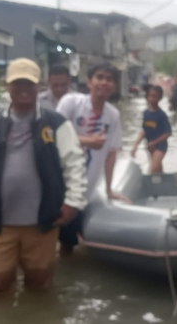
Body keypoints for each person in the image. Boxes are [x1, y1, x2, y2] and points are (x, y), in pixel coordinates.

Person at [0, 58, 87, 294]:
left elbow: (74, 164)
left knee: (40, 283)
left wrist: (72, 202)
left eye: (29, 84)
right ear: (7, 85)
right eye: (18, 84)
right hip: (0, 223)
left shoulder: (56, 123)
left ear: (39, 86)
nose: (24, 89)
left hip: (43, 222)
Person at [56, 62, 130, 255]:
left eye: (109, 79)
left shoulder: (112, 115)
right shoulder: (70, 103)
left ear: (114, 86)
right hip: (60, 180)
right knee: (52, 236)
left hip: (85, 187)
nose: (104, 83)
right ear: (89, 82)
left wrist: (109, 189)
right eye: (99, 77)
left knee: (69, 242)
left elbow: (112, 153)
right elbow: (52, 135)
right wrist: (86, 141)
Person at [130, 85, 172, 174]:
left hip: (160, 147)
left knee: (152, 170)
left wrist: (154, 142)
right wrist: (135, 146)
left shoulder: (161, 115)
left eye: (155, 97)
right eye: (150, 96)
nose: (152, 99)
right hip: (149, 146)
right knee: (158, 170)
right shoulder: (146, 113)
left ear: (160, 98)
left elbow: (168, 133)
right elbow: (144, 131)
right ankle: (164, 185)